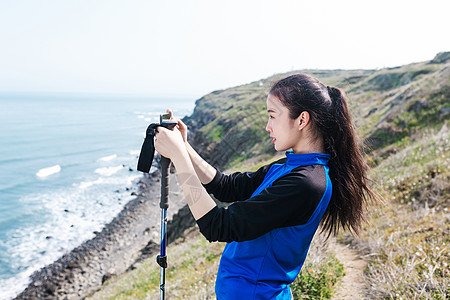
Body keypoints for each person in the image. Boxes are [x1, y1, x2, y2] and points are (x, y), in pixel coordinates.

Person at [154, 74, 379, 299]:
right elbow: (226, 187)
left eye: (272, 116)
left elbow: (219, 226)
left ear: (302, 120)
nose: (267, 127)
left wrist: (178, 157)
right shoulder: (290, 167)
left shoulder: (306, 183)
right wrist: (184, 148)